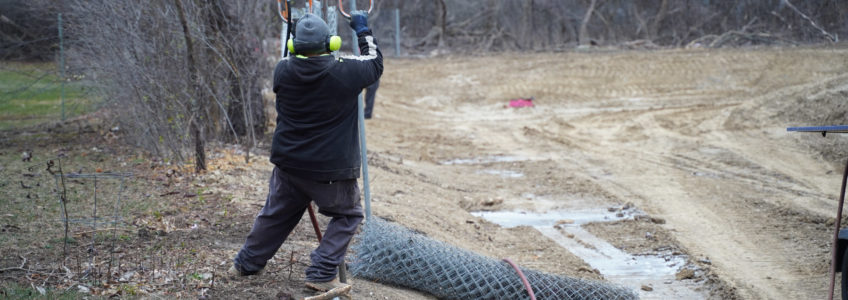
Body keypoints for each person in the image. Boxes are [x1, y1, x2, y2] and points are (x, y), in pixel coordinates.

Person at [229, 11, 382, 294]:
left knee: (276, 215)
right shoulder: (346, 71)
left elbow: (295, 62)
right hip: (331, 170)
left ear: (293, 47)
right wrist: (362, 28)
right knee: (348, 215)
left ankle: (246, 263)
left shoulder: (282, 71)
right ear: (332, 43)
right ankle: (322, 272)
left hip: (289, 165)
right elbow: (374, 63)